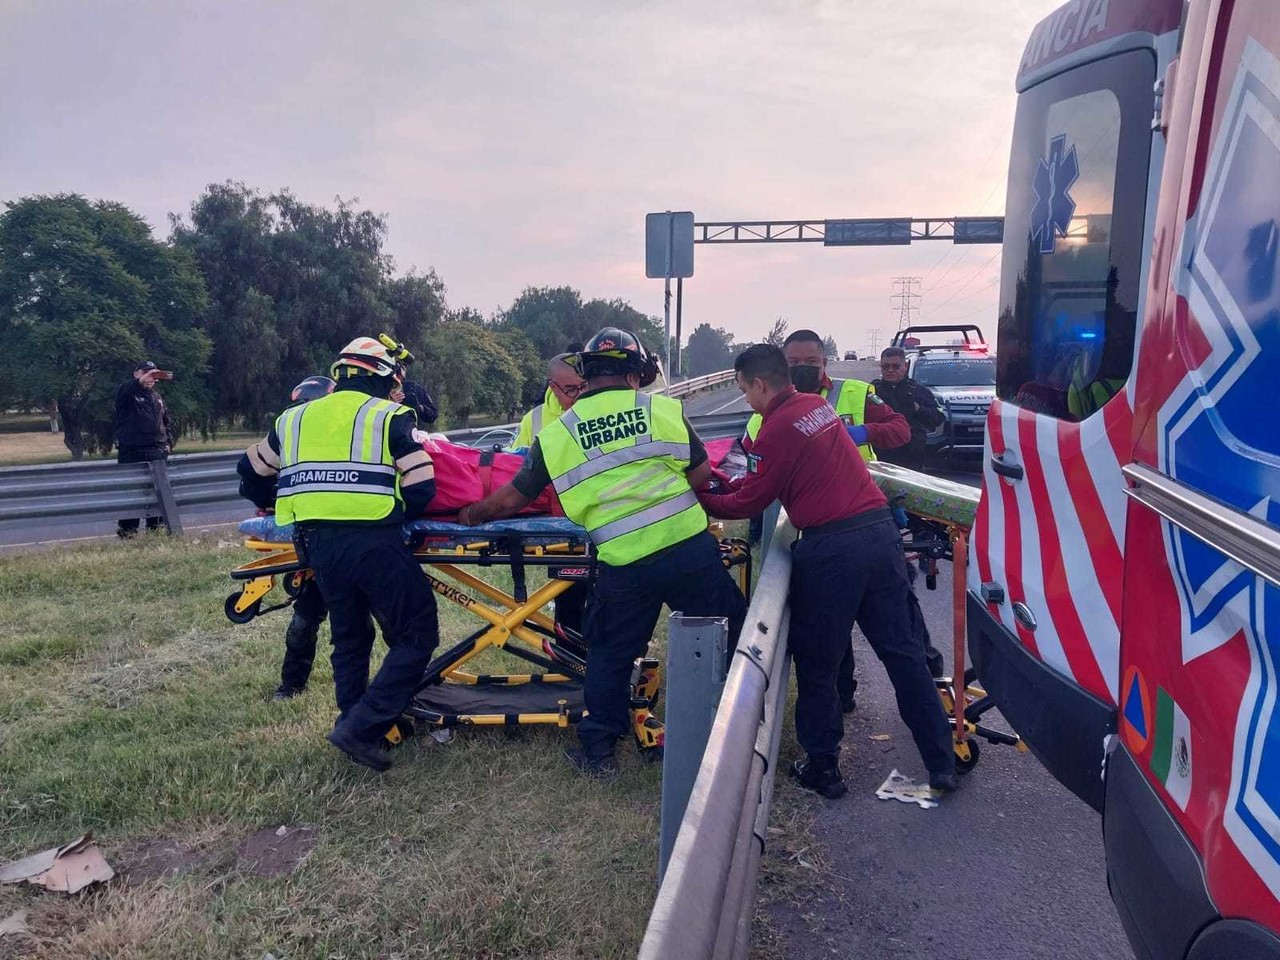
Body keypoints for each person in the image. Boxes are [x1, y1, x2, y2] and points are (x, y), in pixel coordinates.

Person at [456, 328, 748, 778]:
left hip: (623, 562)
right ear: (636, 374)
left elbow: (511, 500)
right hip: (686, 549)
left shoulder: (557, 436)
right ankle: (742, 726)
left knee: (610, 655)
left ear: (587, 377)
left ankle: (597, 753)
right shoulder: (660, 410)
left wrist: (470, 515)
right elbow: (700, 472)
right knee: (729, 629)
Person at [698, 344, 957, 799]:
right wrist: (727, 483)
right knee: (904, 655)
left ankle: (824, 768)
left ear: (760, 383)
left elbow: (748, 501)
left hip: (833, 549)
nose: (746, 401)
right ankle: (942, 762)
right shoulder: (818, 407)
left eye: (744, 391)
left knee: (818, 663)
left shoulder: (775, 428)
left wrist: (702, 497)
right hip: (879, 535)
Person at [237, 336, 439, 772]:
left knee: (351, 637)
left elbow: (250, 472)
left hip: (317, 546)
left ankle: (354, 722)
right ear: (384, 378)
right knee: (417, 635)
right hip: (374, 542)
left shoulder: (293, 419)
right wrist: (395, 512)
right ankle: (362, 726)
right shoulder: (391, 416)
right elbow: (423, 487)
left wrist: (276, 504)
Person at [245, 375, 337, 702]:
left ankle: (291, 686)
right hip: (331, 540)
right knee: (307, 619)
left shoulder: (290, 428)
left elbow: (251, 473)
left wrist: (266, 501)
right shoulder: (339, 429)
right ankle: (291, 685)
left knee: (308, 620)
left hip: (326, 540)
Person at [741, 329, 909, 463]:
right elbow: (743, 465)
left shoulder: (853, 393)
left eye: (812, 361)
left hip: (856, 496)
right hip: (793, 503)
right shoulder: (762, 415)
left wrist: (861, 433)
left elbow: (901, 430)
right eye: (794, 362)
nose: (803, 366)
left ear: (824, 363)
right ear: (783, 366)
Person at [114, 360, 173, 537]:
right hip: (132, 452)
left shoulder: (157, 397)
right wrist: (140, 382)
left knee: (157, 495)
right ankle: (128, 532)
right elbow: (124, 391)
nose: (150, 377)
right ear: (136, 374)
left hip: (157, 451)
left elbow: (166, 421)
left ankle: (155, 531)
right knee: (132, 493)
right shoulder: (126, 393)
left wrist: (168, 442)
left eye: (154, 374)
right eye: (146, 373)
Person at [872, 347, 944, 471]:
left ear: (905, 366)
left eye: (895, 366)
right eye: (885, 366)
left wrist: (918, 409)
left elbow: (937, 419)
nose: (890, 370)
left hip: (911, 459)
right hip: (881, 459)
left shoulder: (918, 391)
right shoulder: (871, 391)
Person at [512, 354, 586, 450]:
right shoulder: (532, 421)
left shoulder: (603, 406)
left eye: (584, 386)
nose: (580, 395)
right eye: (571, 390)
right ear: (553, 387)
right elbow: (514, 461)